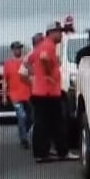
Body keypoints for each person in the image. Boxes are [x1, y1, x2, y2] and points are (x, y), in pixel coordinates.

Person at [30, 22, 80, 163]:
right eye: (59, 32)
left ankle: (42, 153)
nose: (61, 34)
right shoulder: (49, 45)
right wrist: (49, 75)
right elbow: (44, 58)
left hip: (40, 92)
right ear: (51, 32)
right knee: (57, 123)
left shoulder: (41, 45)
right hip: (48, 93)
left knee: (43, 123)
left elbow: (29, 60)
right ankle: (62, 152)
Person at [2, 41, 33, 149]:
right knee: (21, 116)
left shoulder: (26, 62)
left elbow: (32, 75)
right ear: (12, 50)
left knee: (30, 117)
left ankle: (23, 130)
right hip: (15, 95)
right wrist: (4, 96)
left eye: (19, 48)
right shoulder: (8, 64)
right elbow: (5, 81)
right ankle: (24, 139)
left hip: (28, 94)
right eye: (16, 48)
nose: (18, 50)